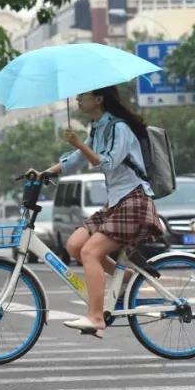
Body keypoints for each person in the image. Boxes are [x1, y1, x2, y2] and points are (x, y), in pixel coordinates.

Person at [31, 85, 163, 339]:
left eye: (83, 96)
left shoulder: (119, 128)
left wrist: (79, 143)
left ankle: (96, 316)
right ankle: (125, 277)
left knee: (90, 252)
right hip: (116, 202)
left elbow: (106, 162)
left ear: (99, 99)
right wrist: (45, 172)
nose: (78, 99)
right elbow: (77, 159)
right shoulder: (99, 127)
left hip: (133, 200)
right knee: (74, 245)